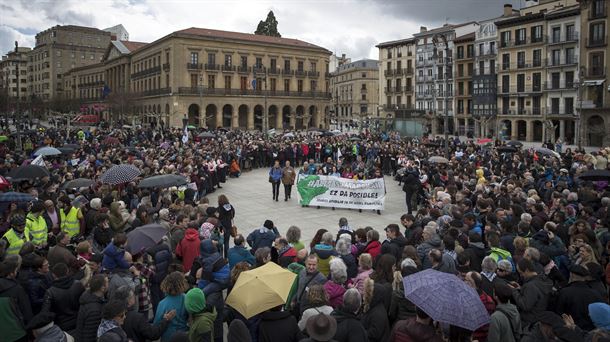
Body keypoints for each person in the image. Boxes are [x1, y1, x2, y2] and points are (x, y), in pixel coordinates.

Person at [40, 262, 87, 334]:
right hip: (78, 321)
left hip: (63, 326)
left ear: (53, 275)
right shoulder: (78, 284)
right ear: (67, 271)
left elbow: (45, 313)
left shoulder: (50, 292)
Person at [556, 265, 605, 331]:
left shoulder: (564, 293)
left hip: (572, 331)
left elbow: (559, 314)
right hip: (592, 333)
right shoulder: (595, 293)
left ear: (571, 275)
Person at [0, 254, 33, 340]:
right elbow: (26, 312)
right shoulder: (17, 289)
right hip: (17, 333)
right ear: (11, 273)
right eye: (16, 270)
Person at [153, 271, 189, 342]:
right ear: (182, 284)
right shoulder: (187, 298)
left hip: (168, 337)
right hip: (183, 336)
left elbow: (156, 324)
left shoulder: (162, 303)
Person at [76, 274, 108, 342]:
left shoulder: (88, 298)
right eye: (108, 282)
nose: (109, 284)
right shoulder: (95, 310)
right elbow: (90, 335)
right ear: (102, 288)